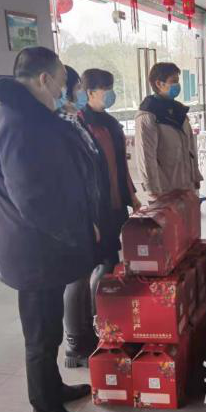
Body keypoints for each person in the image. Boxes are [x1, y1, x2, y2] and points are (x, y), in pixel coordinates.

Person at [0, 47, 99, 412]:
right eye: (63, 82)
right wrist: (76, 233)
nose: (65, 90)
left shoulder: (20, 115)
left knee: (48, 331)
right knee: (40, 337)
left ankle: (53, 390)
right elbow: (33, 199)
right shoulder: (20, 123)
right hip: (34, 251)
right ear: (44, 79)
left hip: (39, 247)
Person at [81, 69, 141, 292]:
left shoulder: (110, 123)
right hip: (97, 207)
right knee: (103, 260)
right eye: (105, 88)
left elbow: (120, 164)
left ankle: (108, 302)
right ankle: (97, 305)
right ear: (90, 92)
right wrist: (89, 216)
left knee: (113, 256)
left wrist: (132, 196)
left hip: (115, 203)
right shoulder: (81, 124)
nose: (110, 93)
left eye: (110, 87)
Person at [59, 65, 100, 368]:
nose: (78, 94)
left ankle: (85, 333)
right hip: (70, 215)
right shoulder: (58, 124)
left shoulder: (72, 119)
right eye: (75, 88)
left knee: (84, 275)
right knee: (75, 279)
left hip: (85, 210)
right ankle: (75, 342)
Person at [134, 62, 203, 201]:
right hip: (164, 189)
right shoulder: (148, 115)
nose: (178, 85)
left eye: (178, 81)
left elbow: (190, 148)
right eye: (173, 81)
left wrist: (195, 175)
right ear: (159, 83)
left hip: (186, 184)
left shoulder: (179, 111)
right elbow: (146, 156)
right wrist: (152, 188)